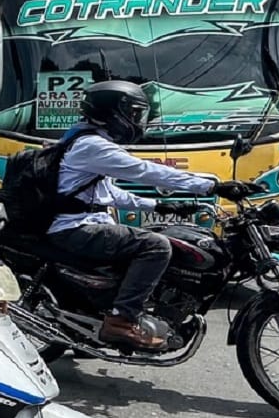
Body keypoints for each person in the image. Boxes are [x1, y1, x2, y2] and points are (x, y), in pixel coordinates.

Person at [47, 80, 259, 350]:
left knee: (155, 237)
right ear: (113, 112)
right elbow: (147, 171)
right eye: (134, 114)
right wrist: (212, 185)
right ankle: (121, 321)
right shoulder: (93, 146)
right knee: (156, 246)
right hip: (74, 228)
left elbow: (109, 194)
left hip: (80, 224)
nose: (138, 121)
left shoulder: (84, 140)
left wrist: (159, 206)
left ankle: (105, 314)